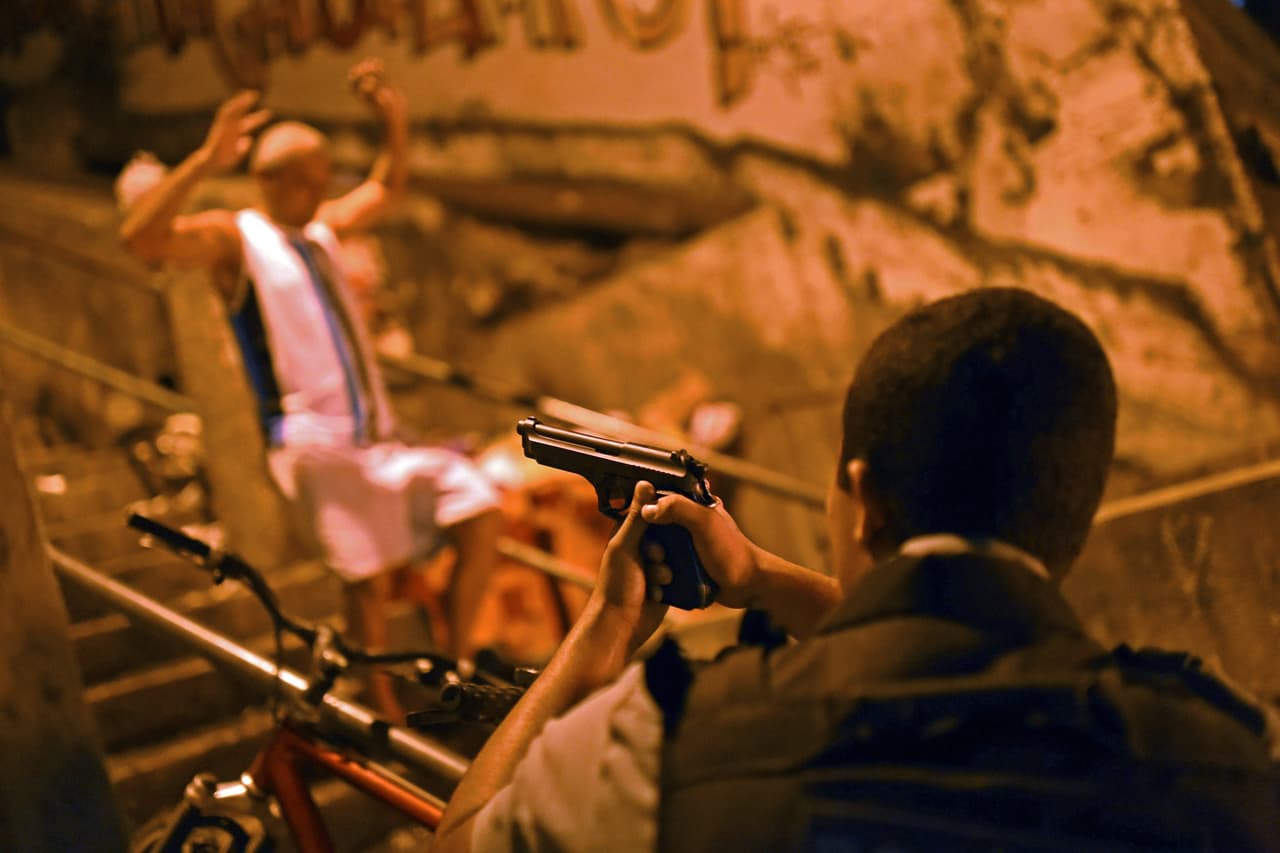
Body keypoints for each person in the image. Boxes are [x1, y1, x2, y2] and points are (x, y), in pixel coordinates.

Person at [433, 288, 1278, 851]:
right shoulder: (1219, 756)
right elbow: (954, 644)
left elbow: (466, 835)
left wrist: (604, 624)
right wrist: (763, 579)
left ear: (861, 498)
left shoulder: (662, 745)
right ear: (1072, 521)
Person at [118, 60, 504, 712]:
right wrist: (207, 161)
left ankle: (459, 661)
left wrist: (394, 119)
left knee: (478, 505)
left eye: (322, 177)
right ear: (271, 179)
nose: (318, 188)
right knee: (365, 581)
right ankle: (379, 708)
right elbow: (143, 237)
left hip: (375, 441)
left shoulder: (321, 232)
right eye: (305, 177)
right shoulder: (237, 237)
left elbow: (386, 187)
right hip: (310, 440)